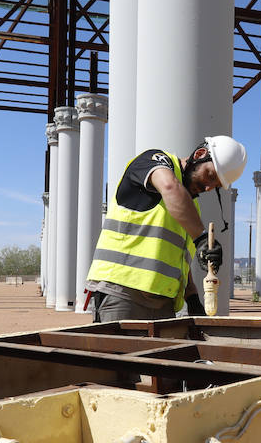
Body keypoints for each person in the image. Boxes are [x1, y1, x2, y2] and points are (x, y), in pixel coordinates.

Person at [85, 135, 247, 322]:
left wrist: (192, 297)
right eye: (210, 176)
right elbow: (169, 186)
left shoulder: (190, 210)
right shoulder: (155, 161)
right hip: (122, 293)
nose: (209, 187)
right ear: (200, 154)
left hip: (164, 304)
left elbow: (178, 259)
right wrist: (202, 238)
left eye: (216, 186)